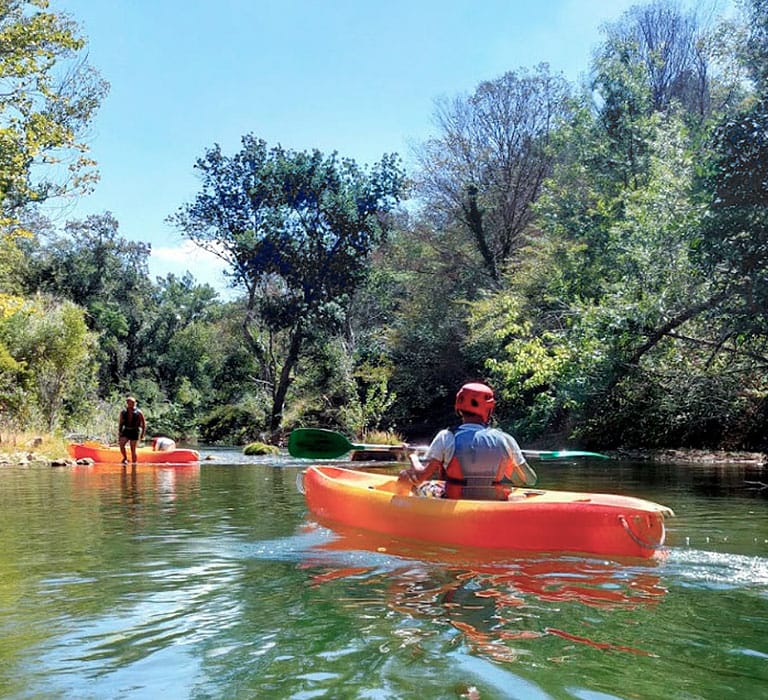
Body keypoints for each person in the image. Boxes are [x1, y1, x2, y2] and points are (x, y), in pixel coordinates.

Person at [398, 382, 537, 500]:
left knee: (405, 476)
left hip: (454, 500)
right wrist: (506, 467)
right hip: (494, 500)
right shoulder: (506, 439)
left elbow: (420, 477)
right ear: (489, 409)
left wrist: (413, 456)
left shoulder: (446, 436)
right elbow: (530, 480)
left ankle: (400, 514)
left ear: (459, 407)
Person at [118, 396, 146, 464]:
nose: (133, 404)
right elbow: (121, 423)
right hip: (126, 430)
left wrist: (142, 434)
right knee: (121, 444)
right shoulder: (123, 412)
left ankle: (134, 463)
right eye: (131, 402)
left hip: (135, 431)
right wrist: (120, 432)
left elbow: (144, 424)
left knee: (133, 449)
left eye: (134, 402)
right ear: (127, 403)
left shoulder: (139, 412)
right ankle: (125, 458)